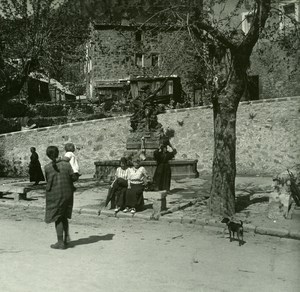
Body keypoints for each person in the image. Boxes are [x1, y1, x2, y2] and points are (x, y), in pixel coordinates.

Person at [44, 146, 78, 250]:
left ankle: (60, 242)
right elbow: (73, 178)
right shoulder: (66, 164)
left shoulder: (47, 167)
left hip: (55, 194)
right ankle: (66, 238)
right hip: (67, 193)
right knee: (63, 216)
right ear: (58, 153)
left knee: (57, 217)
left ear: (48, 156)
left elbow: (48, 181)